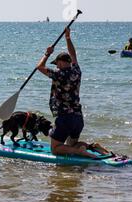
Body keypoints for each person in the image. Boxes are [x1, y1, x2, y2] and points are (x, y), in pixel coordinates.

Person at [37, 28, 110, 159]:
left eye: (57, 63)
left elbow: (39, 67)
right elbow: (73, 54)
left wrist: (47, 54)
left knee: (55, 149)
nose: (56, 66)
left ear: (61, 62)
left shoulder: (58, 74)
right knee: (72, 143)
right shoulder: (77, 71)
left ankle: (80, 152)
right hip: (77, 117)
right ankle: (92, 146)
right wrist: (68, 38)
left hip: (65, 117)